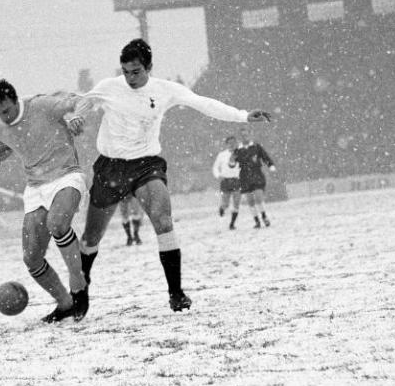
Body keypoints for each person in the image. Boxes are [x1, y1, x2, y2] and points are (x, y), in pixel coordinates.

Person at [71, 38, 272, 312]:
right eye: (126, 71)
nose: (130, 78)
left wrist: (243, 116)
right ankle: (80, 296)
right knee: (92, 236)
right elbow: (85, 102)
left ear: (149, 67)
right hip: (111, 167)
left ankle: (176, 294)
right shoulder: (109, 87)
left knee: (164, 222)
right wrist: (77, 119)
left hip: (146, 165)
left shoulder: (165, 90)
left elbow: (203, 103)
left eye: (136, 71)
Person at [0, 80, 90, 323]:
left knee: (57, 224)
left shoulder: (42, 105)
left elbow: (83, 100)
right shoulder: (0, 130)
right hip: (36, 188)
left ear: (15, 100)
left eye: (6, 111)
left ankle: (78, 284)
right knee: (31, 258)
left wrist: (78, 117)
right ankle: (66, 304)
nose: (3, 117)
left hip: (67, 176)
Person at [234, 127, 277, 228]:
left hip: (256, 174)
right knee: (250, 200)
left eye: (246, 134)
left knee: (258, 197)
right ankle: (256, 221)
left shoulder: (256, 147)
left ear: (250, 134)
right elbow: (233, 164)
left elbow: (265, 156)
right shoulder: (238, 150)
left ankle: (264, 216)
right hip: (244, 176)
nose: (244, 137)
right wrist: (231, 163)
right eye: (242, 135)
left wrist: (271, 165)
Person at [212, 135, 242, 230]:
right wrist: (218, 175)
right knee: (225, 204)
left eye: (233, 142)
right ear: (227, 144)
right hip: (225, 181)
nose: (232, 144)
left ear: (236, 143)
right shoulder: (222, 155)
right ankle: (221, 221)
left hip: (237, 180)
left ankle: (232, 224)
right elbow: (215, 167)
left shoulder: (241, 153)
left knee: (236, 202)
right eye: (230, 143)